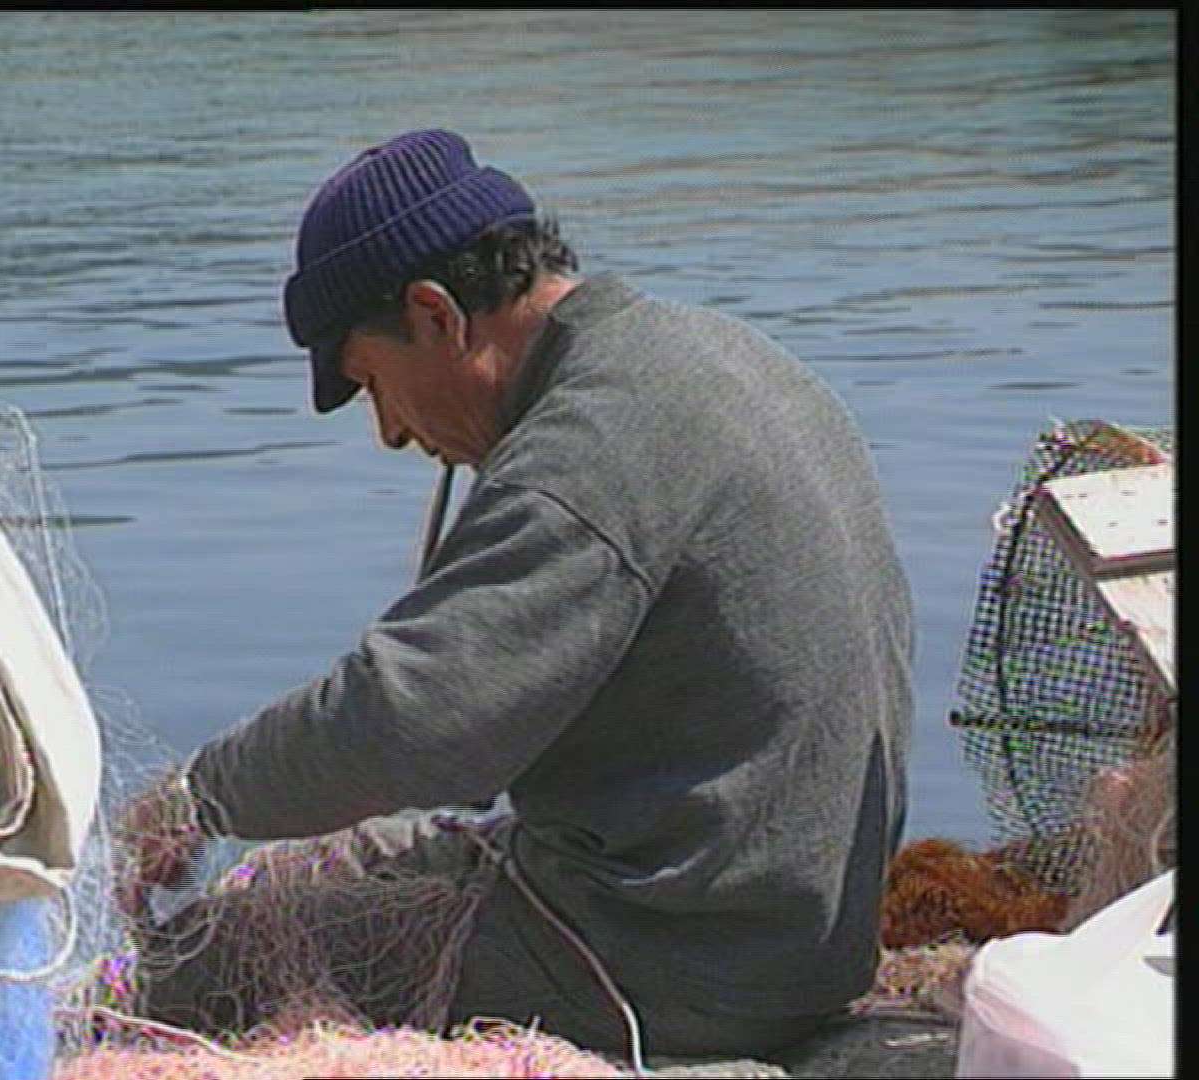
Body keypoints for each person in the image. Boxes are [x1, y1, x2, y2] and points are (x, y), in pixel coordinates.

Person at [118, 128, 914, 1061]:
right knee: (338, 855)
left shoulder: (584, 451)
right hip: (781, 928)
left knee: (207, 964)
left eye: (373, 385)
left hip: (670, 967)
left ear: (435, 316)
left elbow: (409, 724)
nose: (389, 432)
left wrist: (197, 798)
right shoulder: (711, 354)